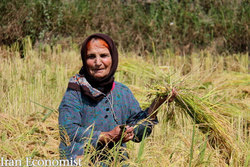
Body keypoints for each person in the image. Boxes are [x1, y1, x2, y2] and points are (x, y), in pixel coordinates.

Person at [58, 33, 176, 165]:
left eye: (103, 55)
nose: (98, 62)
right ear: (84, 61)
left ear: (113, 58)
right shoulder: (75, 91)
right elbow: (68, 131)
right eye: (91, 57)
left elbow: (138, 134)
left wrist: (157, 104)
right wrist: (106, 136)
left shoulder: (121, 92)